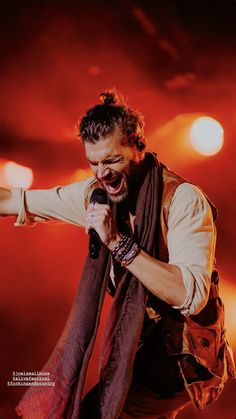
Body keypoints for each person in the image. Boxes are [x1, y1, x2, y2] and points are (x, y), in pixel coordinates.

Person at [0, 90, 235, 419]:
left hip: (180, 364)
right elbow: (12, 200)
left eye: (111, 161)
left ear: (139, 146)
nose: (102, 173)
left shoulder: (182, 200)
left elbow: (190, 295)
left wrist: (119, 243)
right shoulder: (94, 195)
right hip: (141, 352)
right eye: (93, 162)